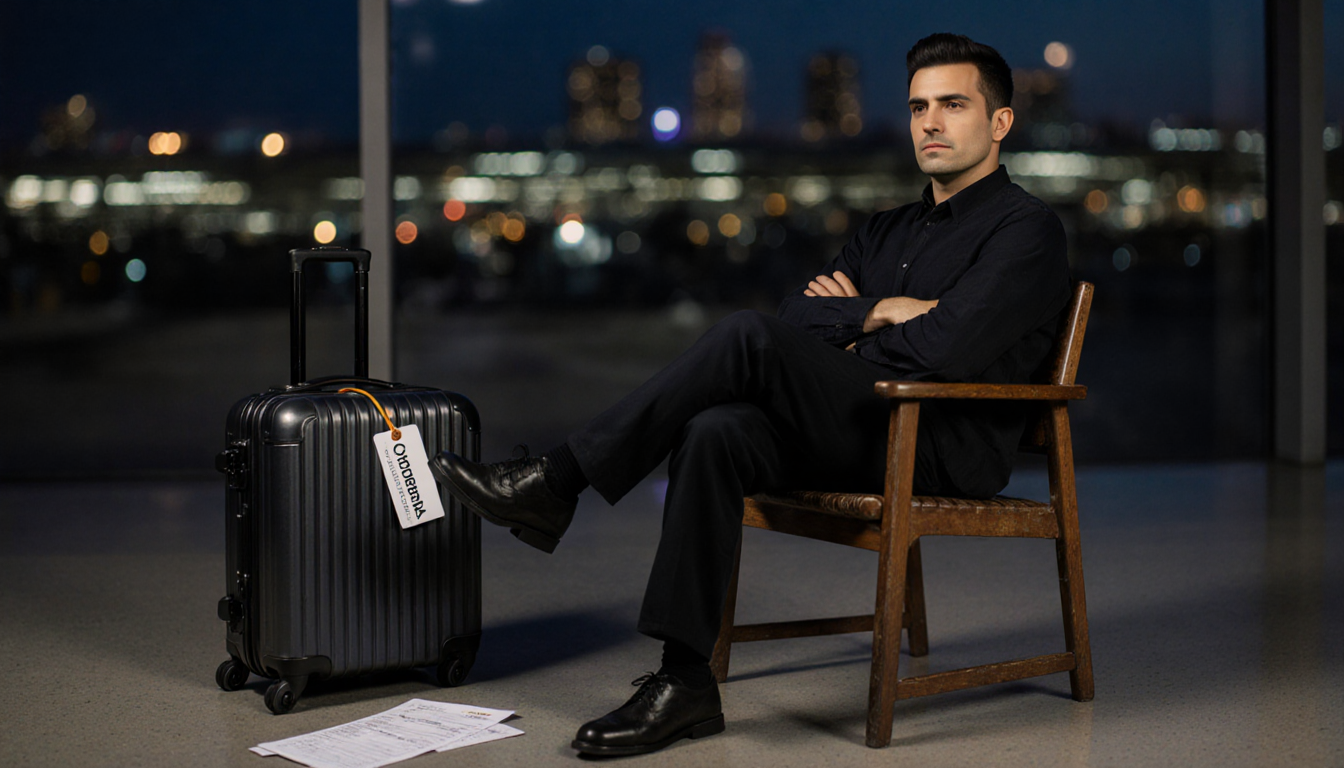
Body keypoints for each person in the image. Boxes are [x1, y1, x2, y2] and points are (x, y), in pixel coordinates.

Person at [430, 32, 1071, 756]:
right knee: (716, 430)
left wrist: (863, 329)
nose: (929, 122)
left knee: (746, 338)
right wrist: (880, 310)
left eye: (953, 104)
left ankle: (556, 481)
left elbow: (947, 347)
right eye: (920, 105)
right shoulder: (885, 227)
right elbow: (801, 311)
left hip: (942, 445)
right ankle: (684, 682)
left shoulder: (1028, 230)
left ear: (1000, 122)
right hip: (862, 425)